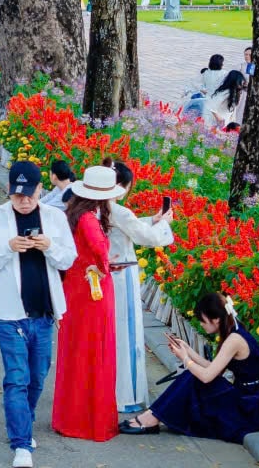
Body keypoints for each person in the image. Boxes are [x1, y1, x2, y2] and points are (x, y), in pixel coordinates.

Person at [0, 161, 76, 468]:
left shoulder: (55, 218)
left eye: (29, 194)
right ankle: (21, 445)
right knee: (16, 379)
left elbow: (68, 259)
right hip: (9, 314)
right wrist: (8, 247)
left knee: (38, 376)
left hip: (44, 313)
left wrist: (48, 246)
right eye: (18, 195)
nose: (24, 200)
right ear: (9, 191)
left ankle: (24, 423)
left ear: (40, 189)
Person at [119, 293, 259, 443]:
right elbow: (214, 370)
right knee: (191, 375)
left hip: (251, 410)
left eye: (203, 320)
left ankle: (152, 417)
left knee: (192, 376)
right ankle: (152, 416)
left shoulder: (234, 340)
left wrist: (185, 359)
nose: (200, 324)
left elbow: (207, 376)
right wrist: (188, 351)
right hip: (248, 400)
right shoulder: (233, 330)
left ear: (216, 319)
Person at [51, 165, 121, 442]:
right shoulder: (90, 219)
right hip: (92, 292)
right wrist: (105, 264)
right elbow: (100, 252)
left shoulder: (76, 214)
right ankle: (89, 421)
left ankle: (70, 416)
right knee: (94, 352)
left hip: (76, 287)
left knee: (76, 351)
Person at [101, 159, 174, 411]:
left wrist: (151, 219)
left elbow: (127, 228)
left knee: (109, 335)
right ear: (122, 187)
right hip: (123, 278)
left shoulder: (96, 208)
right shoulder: (118, 211)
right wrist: (164, 223)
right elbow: (149, 238)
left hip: (103, 276)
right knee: (126, 335)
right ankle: (126, 396)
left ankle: (106, 390)